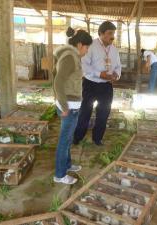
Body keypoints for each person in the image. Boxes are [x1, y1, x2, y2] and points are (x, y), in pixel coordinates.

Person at [53, 27, 92, 185]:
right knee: (64, 140)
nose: (87, 51)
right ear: (80, 44)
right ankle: (60, 175)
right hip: (67, 106)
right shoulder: (69, 57)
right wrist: (64, 106)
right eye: (87, 47)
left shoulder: (73, 56)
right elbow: (58, 82)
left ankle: (67, 165)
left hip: (71, 105)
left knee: (68, 139)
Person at [73, 21, 121, 146]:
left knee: (104, 113)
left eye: (113, 33)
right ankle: (78, 136)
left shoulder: (114, 50)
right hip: (90, 84)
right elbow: (84, 65)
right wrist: (100, 74)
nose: (112, 36)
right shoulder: (91, 46)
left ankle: (97, 138)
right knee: (85, 111)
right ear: (101, 33)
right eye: (110, 33)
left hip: (106, 86)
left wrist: (116, 74)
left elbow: (118, 66)